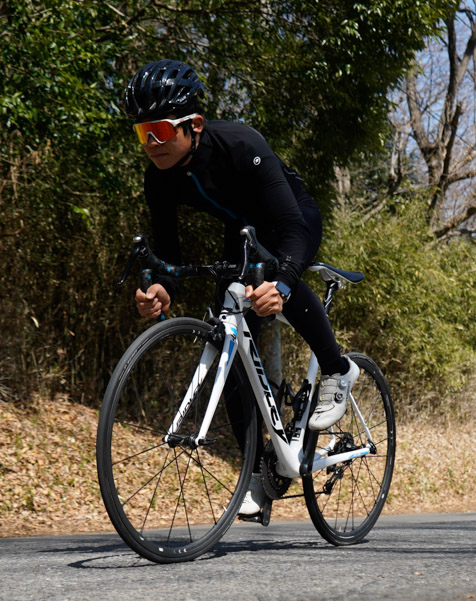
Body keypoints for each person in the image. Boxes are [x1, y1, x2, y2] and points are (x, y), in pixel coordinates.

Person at [122, 59, 359, 516]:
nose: (151, 144)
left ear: (194, 125)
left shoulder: (241, 144)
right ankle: (256, 471)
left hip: (291, 217)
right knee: (228, 330)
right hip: (243, 229)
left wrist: (284, 285)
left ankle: (337, 368)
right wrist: (161, 286)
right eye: (141, 133)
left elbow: (291, 227)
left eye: (161, 131)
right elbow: (167, 249)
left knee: (274, 274)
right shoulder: (159, 176)